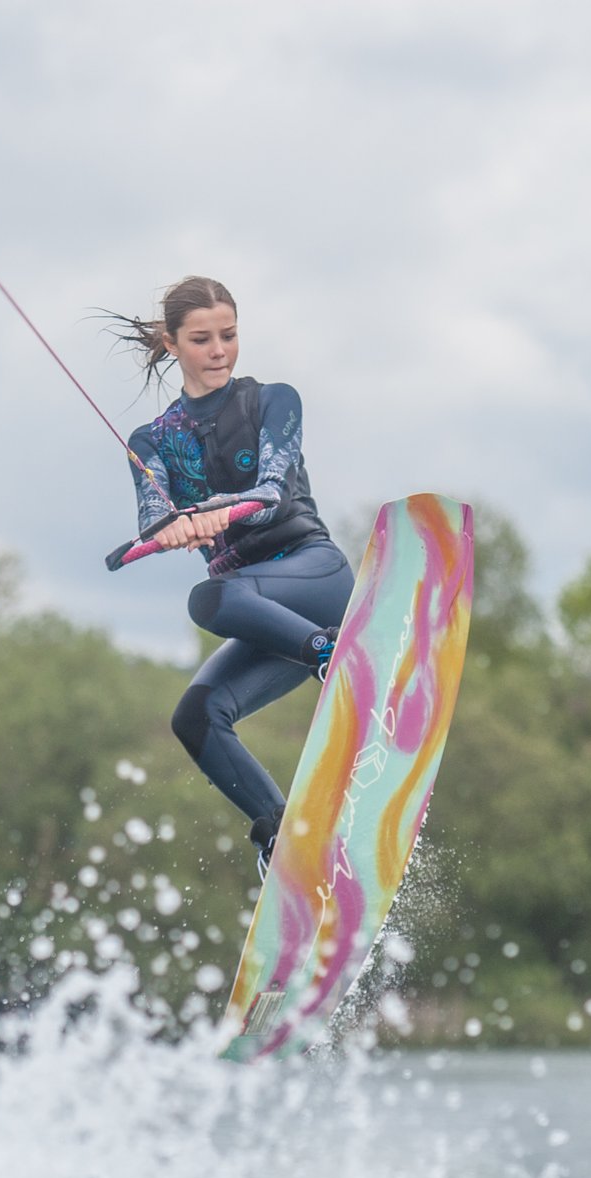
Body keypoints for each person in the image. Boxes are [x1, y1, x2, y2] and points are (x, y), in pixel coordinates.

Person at [109, 276, 354, 878]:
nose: (219, 350)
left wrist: (213, 510)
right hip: (259, 617)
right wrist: (172, 528)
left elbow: (271, 489)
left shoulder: (274, 400)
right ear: (171, 344)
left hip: (313, 579)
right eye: (202, 339)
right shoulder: (153, 441)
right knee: (195, 717)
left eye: (229, 335)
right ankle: (283, 837)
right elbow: (155, 518)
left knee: (212, 594)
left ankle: (336, 659)